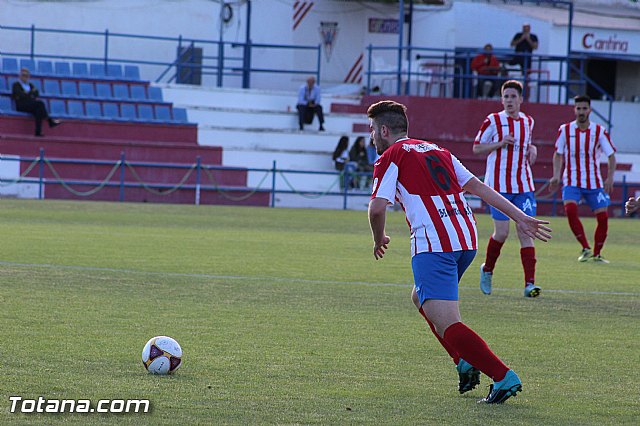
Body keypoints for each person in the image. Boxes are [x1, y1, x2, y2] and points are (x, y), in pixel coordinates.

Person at [367, 100, 551, 404]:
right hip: (466, 239)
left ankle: (503, 376)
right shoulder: (438, 150)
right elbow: (478, 187)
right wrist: (521, 216)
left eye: (373, 130)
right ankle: (464, 360)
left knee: (448, 322)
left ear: (384, 130)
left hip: (435, 243)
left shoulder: (391, 155)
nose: (372, 137)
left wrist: (379, 238)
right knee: (420, 297)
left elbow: (376, 208)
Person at [473, 80, 541, 297]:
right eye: (506, 97)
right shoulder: (493, 120)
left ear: (521, 99)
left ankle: (529, 284)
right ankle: (487, 269)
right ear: (502, 99)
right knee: (501, 233)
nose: (509, 100)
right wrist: (499, 143)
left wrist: (532, 149)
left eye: (513, 96)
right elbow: (476, 148)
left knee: (526, 229)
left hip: (523, 186)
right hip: (499, 187)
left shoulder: (528, 121)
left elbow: (526, 143)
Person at [549, 95, 617, 263]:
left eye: (584, 108)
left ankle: (597, 253)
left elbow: (611, 155)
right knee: (570, 210)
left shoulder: (599, 131)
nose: (581, 112)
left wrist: (610, 178)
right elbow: (558, 154)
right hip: (571, 180)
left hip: (594, 182)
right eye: (578, 108)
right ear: (574, 110)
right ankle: (585, 248)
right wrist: (556, 175)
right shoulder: (565, 130)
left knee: (603, 218)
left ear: (590, 110)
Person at [11, 68, 61, 136]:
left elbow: (36, 93)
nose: (25, 77)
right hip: (21, 105)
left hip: (31, 104)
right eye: (23, 75)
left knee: (38, 111)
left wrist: (27, 94)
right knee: (40, 103)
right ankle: (50, 121)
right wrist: (30, 94)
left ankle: (38, 132)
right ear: (20, 76)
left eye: (26, 75)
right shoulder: (16, 84)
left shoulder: (30, 85)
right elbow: (19, 94)